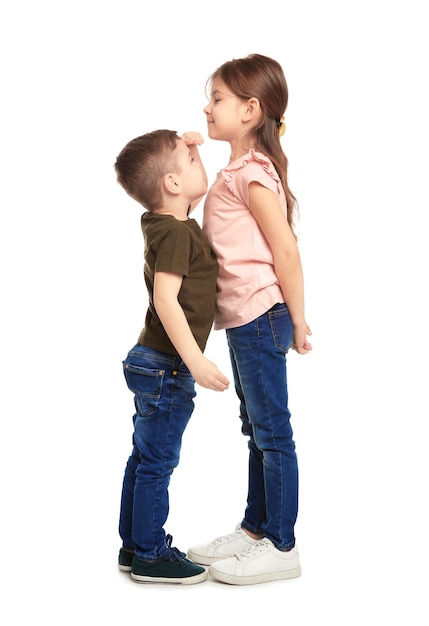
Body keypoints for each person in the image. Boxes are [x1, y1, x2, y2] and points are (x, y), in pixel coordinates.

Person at [186, 54, 312, 585]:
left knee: (271, 431)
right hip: (245, 320)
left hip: (262, 314)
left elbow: (285, 248)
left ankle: (281, 543)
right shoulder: (234, 171)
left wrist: (300, 319)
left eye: (217, 98)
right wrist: (185, 151)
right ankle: (256, 529)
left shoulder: (252, 173)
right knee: (255, 429)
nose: (207, 107)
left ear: (250, 109)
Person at [114, 129, 230, 585]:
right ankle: (149, 553)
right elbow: (166, 300)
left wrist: (190, 150)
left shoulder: (166, 223)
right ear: (172, 185)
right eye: (192, 160)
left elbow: (185, 194)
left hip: (153, 362)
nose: (200, 161)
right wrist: (196, 362)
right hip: (168, 365)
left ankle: (132, 544)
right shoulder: (178, 233)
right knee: (157, 463)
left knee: (143, 459)